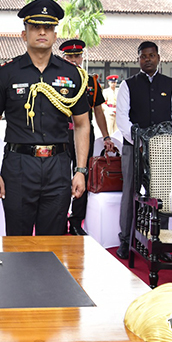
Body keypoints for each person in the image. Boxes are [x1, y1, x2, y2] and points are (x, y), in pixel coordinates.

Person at [0, 0, 91, 236]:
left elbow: (82, 124)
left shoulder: (72, 74)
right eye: (35, 27)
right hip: (19, 166)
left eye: (48, 27)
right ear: (24, 34)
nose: (42, 32)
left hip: (58, 166)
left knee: (53, 240)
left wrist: (81, 170)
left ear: (55, 35)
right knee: (17, 241)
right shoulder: (5, 74)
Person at [115, 41, 172, 259]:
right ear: (138, 59)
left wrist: (166, 141)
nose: (147, 59)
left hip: (164, 150)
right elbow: (122, 118)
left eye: (151, 55)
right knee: (130, 193)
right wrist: (139, 142)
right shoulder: (128, 85)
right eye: (143, 56)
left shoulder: (171, 84)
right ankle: (126, 240)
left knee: (161, 195)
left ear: (158, 58)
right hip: (133, 148)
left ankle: (160, 243)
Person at [60, 39, 116, 235]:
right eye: (70, 57)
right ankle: (59, 220)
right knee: (60, 177)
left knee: (82, 175)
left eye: (77, 56)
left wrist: (106, 136)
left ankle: (76, 222)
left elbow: (98, 111)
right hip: (60, 134)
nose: (74, 60)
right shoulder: (56, 79)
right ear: (63, 58)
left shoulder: (91, 81)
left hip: (84, 135)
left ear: (82, 57)